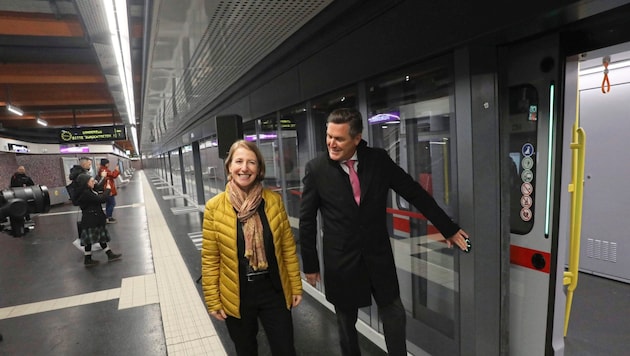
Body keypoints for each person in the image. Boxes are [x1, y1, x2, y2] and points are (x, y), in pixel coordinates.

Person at [299, 108, 471, 356]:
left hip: (378, 257)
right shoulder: (317, 169)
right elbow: (306, 220)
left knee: (394, 315)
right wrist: (311, 264)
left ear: (357, 138)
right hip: (341, 261)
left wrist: (448, 227)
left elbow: (414, 192)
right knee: (346, 325)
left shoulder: (378, 161)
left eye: (339, 138)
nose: (331, 143)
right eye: (329, 136)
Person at [201, 139, 302, 356]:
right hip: (237, 293)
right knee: (245, 350)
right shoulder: (214, 208)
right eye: (239, 161)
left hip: (273, 290)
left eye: (251, 162)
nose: (244, 168)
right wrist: (212, 299)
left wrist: (295, 285)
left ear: (259, 169)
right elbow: (210, 258)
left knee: (286, 349)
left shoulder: (274, 201)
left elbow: (287, 248)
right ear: (229, 167)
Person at [75, 173, 122, 267]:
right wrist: (108, 189)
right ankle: (108, 255)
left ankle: (89, 259)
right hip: (92, 220)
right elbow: (101, 199)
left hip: (92, 219)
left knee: (93, 240)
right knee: (99, 238)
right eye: (91, 181)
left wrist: (104, 178)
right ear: (86, 183)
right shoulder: (86, 193)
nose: (93, 182)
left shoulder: (87, 190)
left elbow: (98, 187)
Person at [97, 158, 120, 223]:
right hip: (108, 189)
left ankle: (107, 217)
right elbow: (114, 175)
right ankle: (109, 217)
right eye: (108, 163)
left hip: (107, 189)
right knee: (112, 203)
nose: (109, 164)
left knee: (109, 203)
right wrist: (116, 170)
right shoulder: (104, 170)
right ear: (106, 164)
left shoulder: (102, 169)